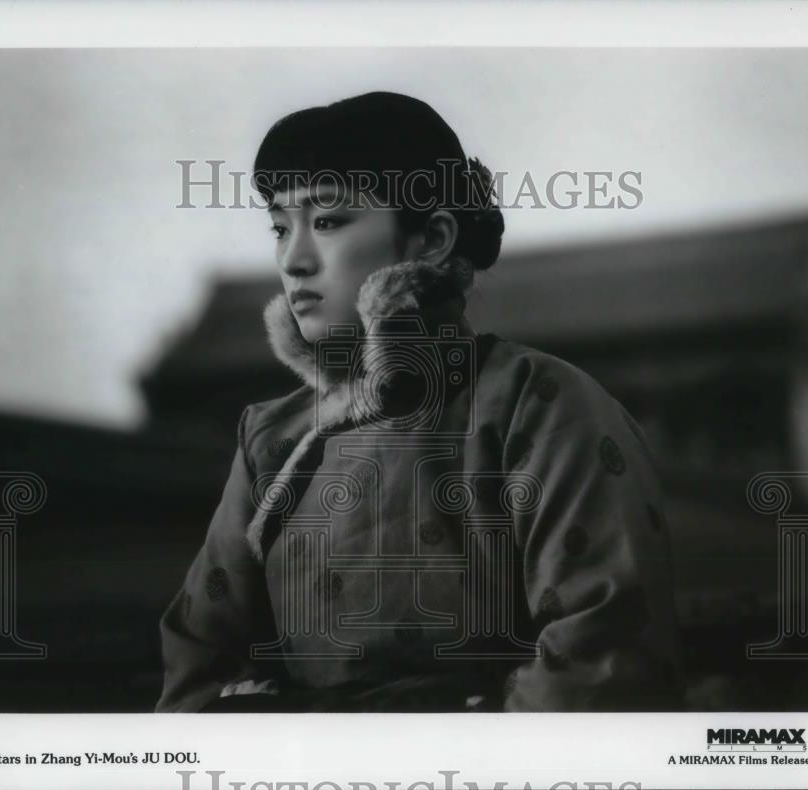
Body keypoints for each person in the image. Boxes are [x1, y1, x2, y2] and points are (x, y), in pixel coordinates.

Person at [155, 91, 684, 713]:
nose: (294, 261)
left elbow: (602, 660)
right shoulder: (273, 439)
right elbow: (199, 667)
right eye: (279, 227)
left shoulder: (539, 405)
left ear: (431, 239)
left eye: (327, 221)